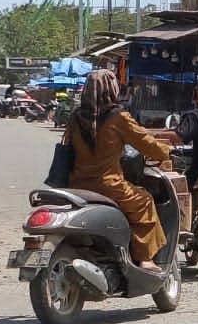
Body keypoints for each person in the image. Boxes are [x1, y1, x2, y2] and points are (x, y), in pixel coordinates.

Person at [66, 69, 174, 271]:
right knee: (145, 202)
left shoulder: (75, 118)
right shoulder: (118, 117)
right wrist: (166, 152)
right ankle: (144, 258)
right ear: (112, 89)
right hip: (109, 186)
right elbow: (146, 143)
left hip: (76, 186)